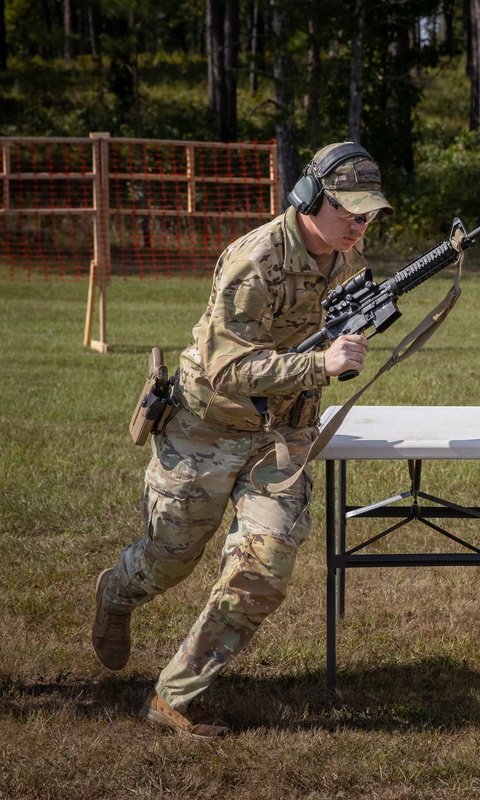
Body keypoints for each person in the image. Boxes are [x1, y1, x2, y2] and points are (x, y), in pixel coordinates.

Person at [91, 142, 392, 739]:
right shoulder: (254, 262)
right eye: (349, 212)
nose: (359, 225)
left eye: (368, 214)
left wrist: (354, 337)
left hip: (278, 436)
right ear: (309, 199)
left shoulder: (347, 258)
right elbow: (228, 369)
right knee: (170, 560)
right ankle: (118, 593)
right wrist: (321, 366)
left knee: (265, 563)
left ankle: (175, 695)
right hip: (205, 427)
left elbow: (331, 334)